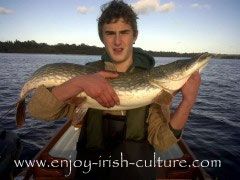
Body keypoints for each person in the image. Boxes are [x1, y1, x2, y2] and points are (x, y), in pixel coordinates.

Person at [27, 0, 201, 179]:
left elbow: (162, 141)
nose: (117, 41)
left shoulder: (154, 86)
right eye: (110, 33)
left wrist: (187, 102)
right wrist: (78, 83)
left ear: (135, 35)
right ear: (103, 38)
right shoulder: (87, 74)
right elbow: (37, 111)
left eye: (124, 32)